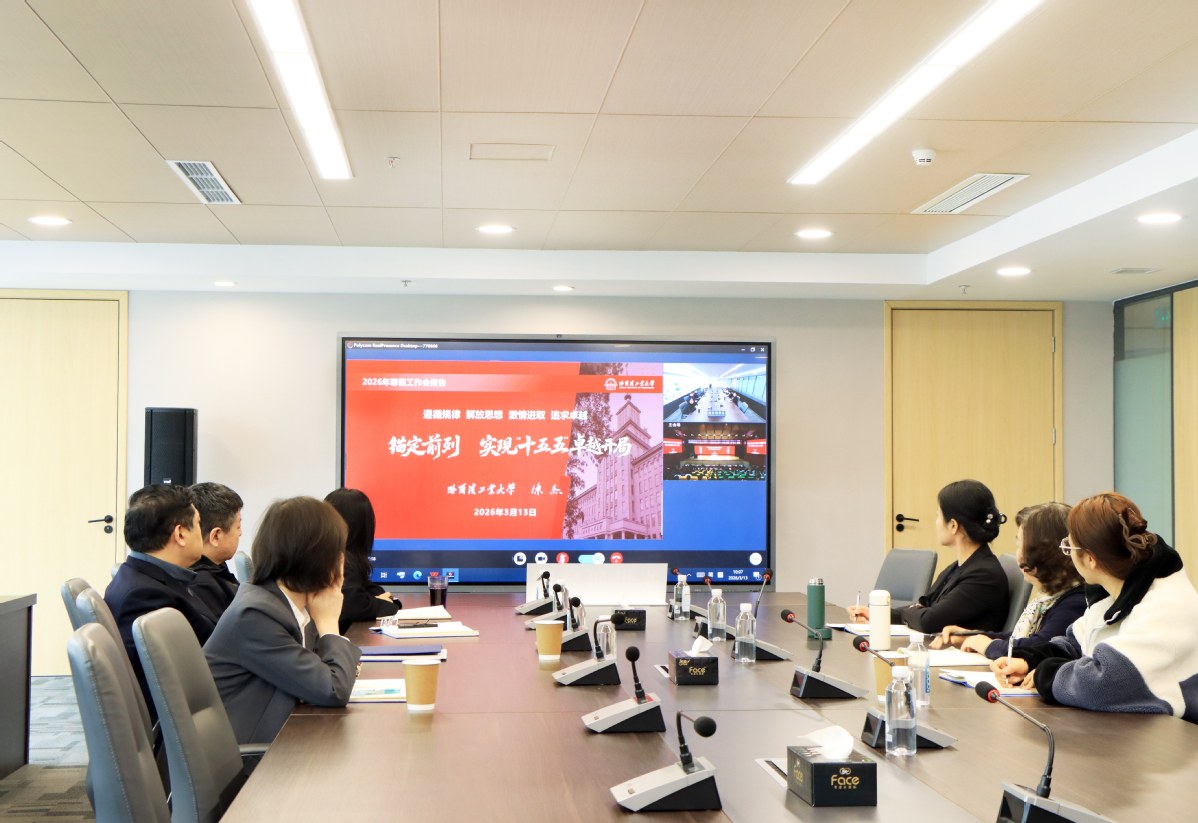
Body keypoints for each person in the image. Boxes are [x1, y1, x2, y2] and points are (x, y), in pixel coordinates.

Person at [992, 493, 1198, 720]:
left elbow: (1103, 683)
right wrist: (1030, 661)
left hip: (1179, 736)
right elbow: (1076, 644)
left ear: (1090, 559)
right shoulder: (1113, 593)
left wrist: (1046, 674)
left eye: (1068, 547)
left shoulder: (1167, 607)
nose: (1068, 555)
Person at [204, 496, 361, 744]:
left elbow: (318, 670)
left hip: (277, 739)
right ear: (318, 558)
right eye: (337, 553)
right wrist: (330, 624)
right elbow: (333, 690)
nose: (342, 562)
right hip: (252, 758)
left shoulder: (279, 602)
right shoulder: (256, 615)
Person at [105, 484, 219, 716]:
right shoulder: (144, 596)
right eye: (198, 523)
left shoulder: (147, 577)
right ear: (180, 534)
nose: (202, 532)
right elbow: (184, 676)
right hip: (195, 716)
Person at [847, 479, 1009, 634]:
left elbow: (929, 620)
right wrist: (878, 614)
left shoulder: (984, 575)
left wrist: (916, 610)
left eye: (938, 515)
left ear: (953, 525)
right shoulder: (959, 566)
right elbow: (926, 605)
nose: (936, 522)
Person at [933, 502, 1086, 658]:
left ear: (1043, 554)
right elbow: (1017, 638)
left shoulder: (1075, 603)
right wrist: (973, 636)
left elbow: (1039, 647)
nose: (1017, 554)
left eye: (1020, 545)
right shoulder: (1048, 599)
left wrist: (987, 645)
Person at [323, 488, 400, 632]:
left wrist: (381, 599)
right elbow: (353, 605)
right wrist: (387, 604)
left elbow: (367, 587)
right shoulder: (341, 560)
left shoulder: (335, 556)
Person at [188, 481, 244, 617]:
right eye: (237, 526)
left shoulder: (216, 567)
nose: (240, 532)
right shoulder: (201, 586)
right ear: (216, 536)